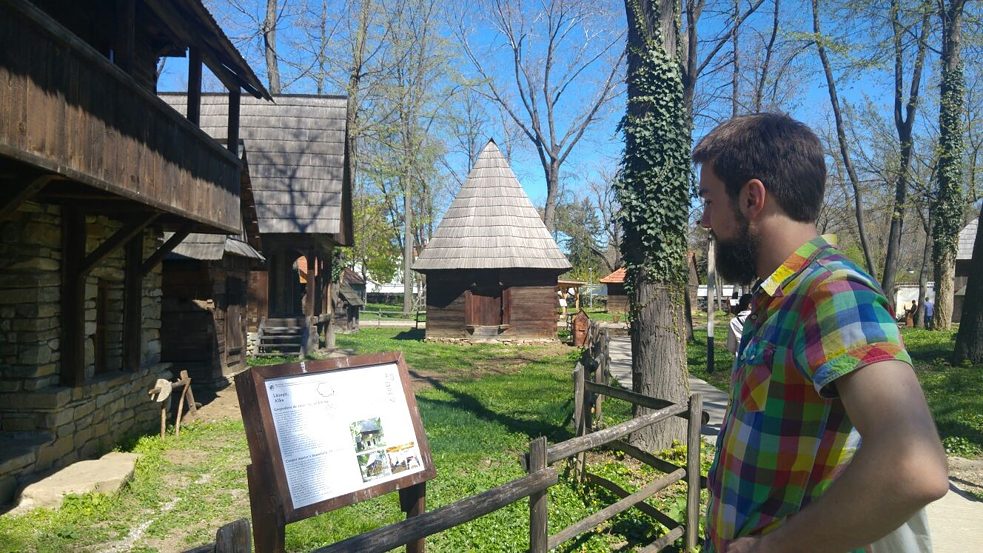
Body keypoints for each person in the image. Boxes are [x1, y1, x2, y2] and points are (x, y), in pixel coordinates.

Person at [693, 113, 948, 552]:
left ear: (753, 198)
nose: (703, 221)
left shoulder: (831, 293)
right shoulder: (779, 300)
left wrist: (770, 549)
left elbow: (916, 466)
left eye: (709, 200)